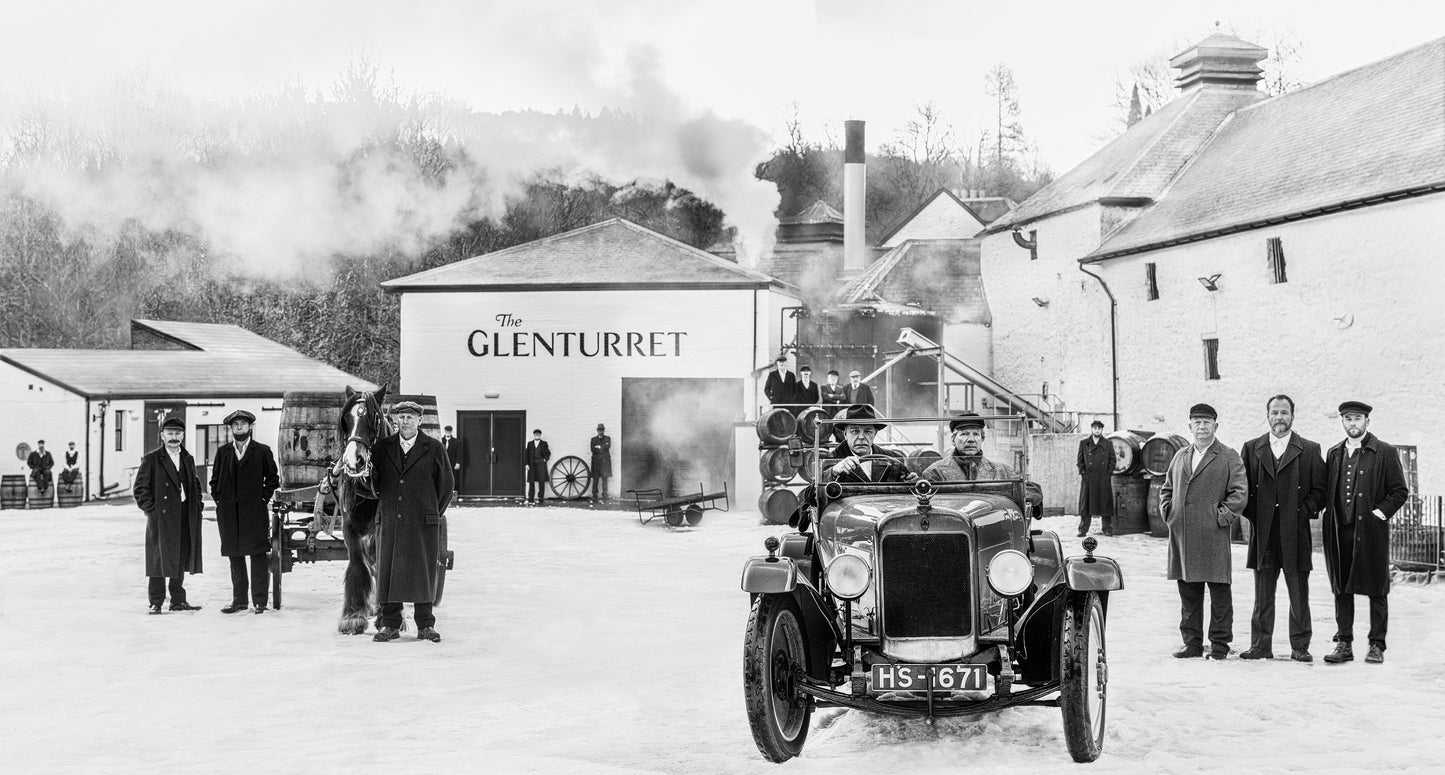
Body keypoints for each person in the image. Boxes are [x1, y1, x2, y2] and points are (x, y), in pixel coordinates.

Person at [1238, 395, 1327, 662]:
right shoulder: (1252, 448)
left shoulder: (1309, 449)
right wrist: (1255, 516)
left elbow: (1319, 490)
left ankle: (1300, 646)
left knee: (1298, 593)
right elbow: (1242, 489)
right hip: (1263, 534)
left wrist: (1303, 513)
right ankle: (1260, 645)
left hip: (1295, 534)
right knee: (1262, 594)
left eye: (1284, 412)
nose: (1279, 417)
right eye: (1275, 412)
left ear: (1292, 416)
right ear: (1267, 415)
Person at [1322, 401, 1409, 665]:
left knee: (1376, 588)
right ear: (1343, 422)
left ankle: (1376, 645)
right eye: (1348, 419)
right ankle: (1344, 643)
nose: (1353, 423)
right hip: (1340, 531)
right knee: (1341, 588)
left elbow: (1399, 491)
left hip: (1371, 532)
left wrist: (1378, 514)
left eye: (1358, 418)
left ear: (1367, 422)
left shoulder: (1384, 452)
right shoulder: (1334, 453)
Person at [1159, 403, 1248, 659]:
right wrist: (1170, 512)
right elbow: (1167, 489)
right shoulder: (1180, 456)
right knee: (1189, 592)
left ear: (1215, 426)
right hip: (1183, 535)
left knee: (1219, 592)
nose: (1202, 427)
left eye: (1207, 422)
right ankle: (1192, 643)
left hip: (1212, 534)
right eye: (1197, 422)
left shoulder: (1228, 456)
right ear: (1190, 426)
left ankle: (1219, 645)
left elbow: (1239, 493)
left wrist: (1220, 518)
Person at [369, 401, 454, 642]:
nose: (405, 421)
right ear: (396, 420)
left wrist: (432, 513)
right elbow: (373, 484)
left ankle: (425, 625)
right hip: (390, 520)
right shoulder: (383, 448)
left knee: (423, 572)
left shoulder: (434, 448)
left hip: (422, 522)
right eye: (401, 417)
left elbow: (446, 486)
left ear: (419, 421)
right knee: (388, 571)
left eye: (410, 417)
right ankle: (391, 624)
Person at [208, 410, 280, 614]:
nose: (239, 427)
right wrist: (220, 500)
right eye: (235, 424)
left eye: (243, 424)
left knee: (257, 555)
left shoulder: (262, 451)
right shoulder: (223, 452)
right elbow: (214, 482)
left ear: (250, 428)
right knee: (235, 556)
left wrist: (262, 498)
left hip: (254, 513)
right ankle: (239, 601)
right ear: (231, 428)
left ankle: (259, 602)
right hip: (229, 514)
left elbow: (273, 479)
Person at [134, 417, 203, 614]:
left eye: (178, 433)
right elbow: (140, 489)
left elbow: (195, 485)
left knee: (180, 557)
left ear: (183, 435)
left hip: (183, 515)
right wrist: (152, 512)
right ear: (162, 436)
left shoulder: (187, 458)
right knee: (158, 559)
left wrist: (197, 505)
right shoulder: (152, 458)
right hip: (161, 518)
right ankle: (156, 602)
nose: (174, 437)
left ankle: (178, 600)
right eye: (170, 434)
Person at [924, 413, 1044, 517]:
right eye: (964, 434)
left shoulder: (1002, 471)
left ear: (982, 439)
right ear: (953, 440)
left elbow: (1034, 491)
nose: (971, 439)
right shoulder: (935, 472)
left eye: (976, 434)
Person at [823, 404, 916, 484]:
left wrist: (914, 482)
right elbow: (810, 495)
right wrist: (833, 472)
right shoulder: (830, 460)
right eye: (855, 431)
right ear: (845, 434)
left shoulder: (894, 459)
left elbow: (909, 491)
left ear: (875, 433)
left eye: (867, 431)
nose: (861, 437)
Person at [1076, 420, 1115, 537]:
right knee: (1086, 505)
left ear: (1102, 430)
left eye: (1099, 428)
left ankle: (1107, 529)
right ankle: (1083, 529)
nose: (1097, 430)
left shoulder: (1108, 444)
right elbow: (1080, 460)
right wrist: (1083, 473)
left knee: (1105, 504)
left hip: (1103, 478)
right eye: (1095, 428)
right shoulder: (1084, 443)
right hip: (1089, 478)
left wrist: (1108, 473)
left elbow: (1112, 460)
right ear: (1091, 429)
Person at [526, 429, 551, 505]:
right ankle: (531, 498)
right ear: (534, 435)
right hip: (532, 464)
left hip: (541, 464)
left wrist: (545, 459)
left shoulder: (544, 443)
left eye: (538, 434)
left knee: (541, 481)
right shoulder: (530, 443)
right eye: (536, 434)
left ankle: (541, 498)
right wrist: (527, 464)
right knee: (531, 481)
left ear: (540, 435)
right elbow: (526, 454)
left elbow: (548, 453)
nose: (537, 435)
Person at [590, 423, 612, 502]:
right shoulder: (593, 439)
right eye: (599, 430)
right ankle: (594, 495)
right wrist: (602, 447)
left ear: (604, 430)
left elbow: (608, 446)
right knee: (595, 479)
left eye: (602, 430)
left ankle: (605, 494)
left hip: (604, 462)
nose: (601, 432)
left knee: (604, 479)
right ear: (597, 431)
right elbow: (592, 449)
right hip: (596, 462)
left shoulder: (607, 438)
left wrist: (598, 447)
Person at [441, 425, 462, 490]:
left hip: (452, 463)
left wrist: (458, 463)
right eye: (447, 431)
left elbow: (459, 453)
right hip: (442, 463)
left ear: (451, 431)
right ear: (444, 431)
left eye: (449, 431)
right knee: (442, 478)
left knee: (453, 478)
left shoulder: (457, 442)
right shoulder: (440, 440)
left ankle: (454, 493)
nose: (448, 432)